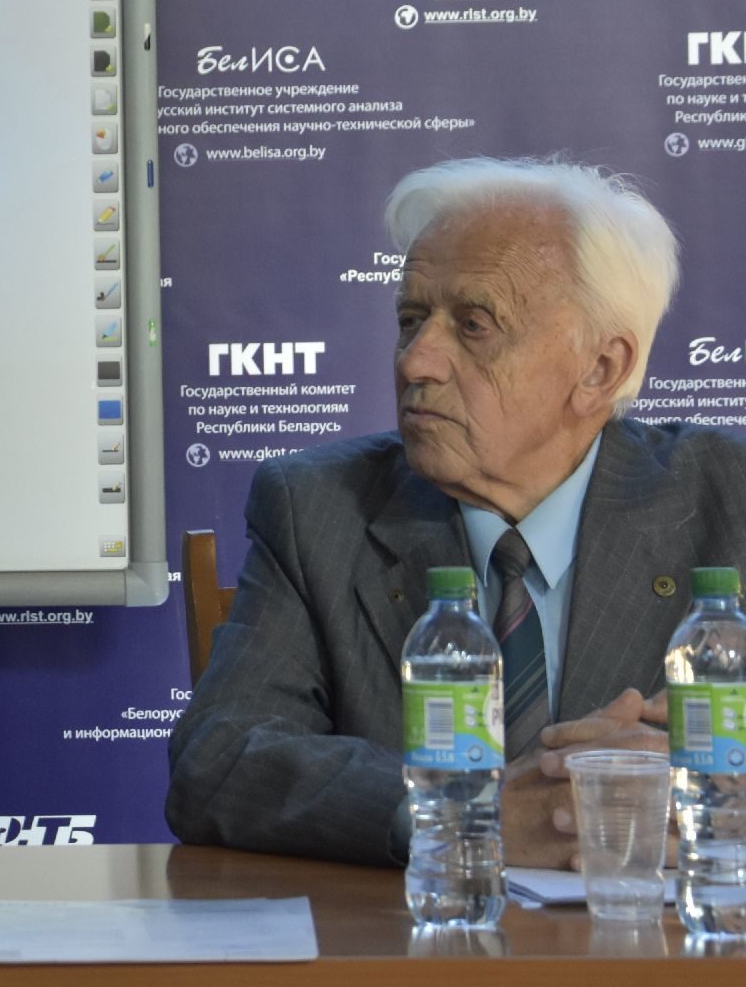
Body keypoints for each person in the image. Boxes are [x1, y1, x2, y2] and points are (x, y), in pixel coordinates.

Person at [167, 156, 746, 868]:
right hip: (422, 930)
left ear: (601, 369)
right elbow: (220, 760)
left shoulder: (729, 497)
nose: (416, 362)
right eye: (411, 321)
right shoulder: (317, 507)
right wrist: (461, 812)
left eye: (474, 325)